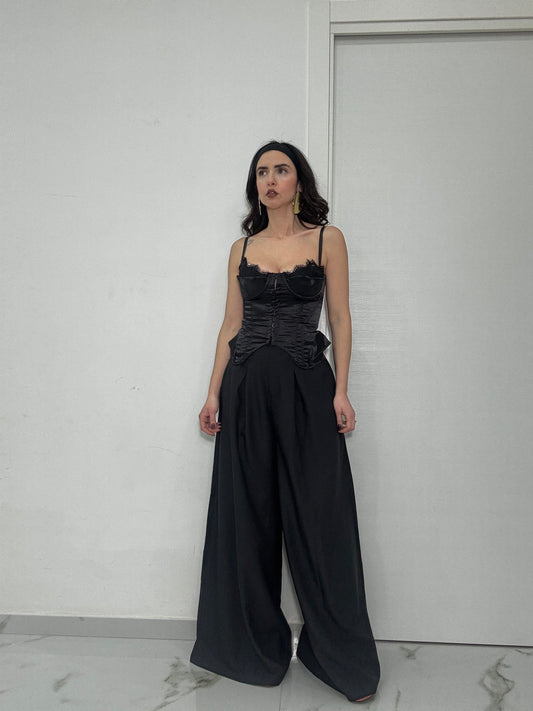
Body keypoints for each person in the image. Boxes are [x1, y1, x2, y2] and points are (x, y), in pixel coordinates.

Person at [190, 141, 380, 703]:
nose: (270, 180)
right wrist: (212, 392)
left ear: (299, 181)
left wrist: (342, 390)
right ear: (256, 186)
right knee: (246, 513)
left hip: (307, 389)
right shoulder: (242, 247)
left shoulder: (327, 239)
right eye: (261, 173)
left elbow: (340, 317)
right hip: (246, 389)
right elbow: (231, 324)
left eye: (281, 170)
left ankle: (336, 655)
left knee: (320, 516)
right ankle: (250, 647)